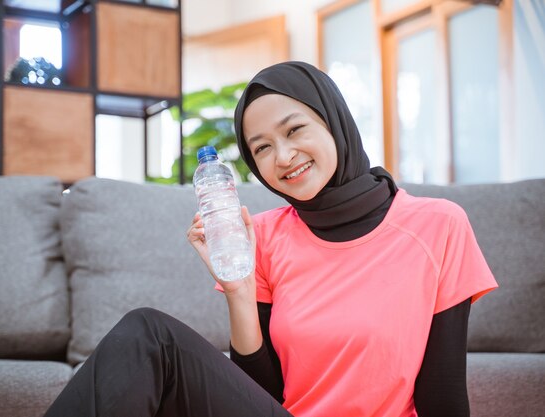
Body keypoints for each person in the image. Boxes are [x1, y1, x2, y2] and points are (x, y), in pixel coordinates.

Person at [43, 61, 498, 417]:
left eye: (295, 129)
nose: (282, 156)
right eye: (261, 147)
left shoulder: (437, 225)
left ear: (333, 121)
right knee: (148, 336)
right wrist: (239, 292)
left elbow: (443, 394)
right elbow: (260, 396)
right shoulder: (262, 235)